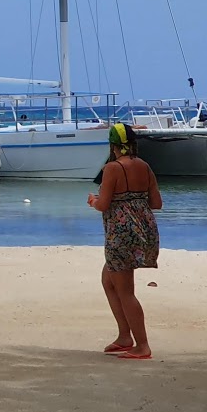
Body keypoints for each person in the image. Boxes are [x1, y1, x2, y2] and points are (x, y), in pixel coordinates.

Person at [87, 122, 162, 359]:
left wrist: (93, 201)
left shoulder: (112, 168)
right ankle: (124, 336)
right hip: (145, 230)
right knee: (108, 281)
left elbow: (104, 204)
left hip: (121, 234)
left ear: (113, 145)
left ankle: (142, 345)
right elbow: (156, 203)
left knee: (125, 290)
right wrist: (132, 199)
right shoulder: (144, 166)